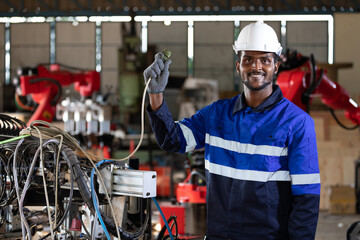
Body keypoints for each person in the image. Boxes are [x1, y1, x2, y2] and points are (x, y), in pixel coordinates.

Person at [144, 21, 320, 240]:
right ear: (238, 66)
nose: (256, 67)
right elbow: (172, 139)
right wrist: (156, 94)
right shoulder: (215, 115)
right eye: (248, 60)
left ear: (275, 66)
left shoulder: (297, 123)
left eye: (265, 60)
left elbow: (307, 199)